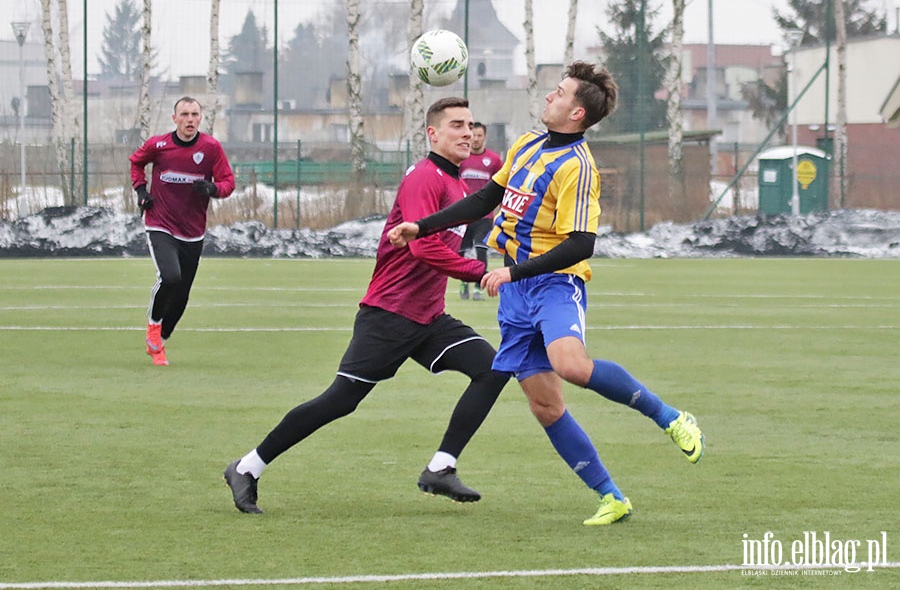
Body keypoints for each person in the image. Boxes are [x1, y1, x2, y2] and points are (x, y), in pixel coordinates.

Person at [388, 62, 705, 526]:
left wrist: (514, 274)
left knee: (571, 366)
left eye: (557, 93)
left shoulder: (577, 167)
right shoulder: (527, 144)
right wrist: (423, 224)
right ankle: (611, 497)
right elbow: (483, 201)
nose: (547, 98)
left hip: (555, 283)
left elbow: (581, 243)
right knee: (545, 404)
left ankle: (672, 417)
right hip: (517, 293)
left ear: (576, 113)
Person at [223, 97, 509, 514]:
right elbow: (422, 248)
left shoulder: (458, 185)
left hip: (428, 318)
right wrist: (477, 272)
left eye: (469, 125)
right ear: (432, 133)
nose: (467, 132)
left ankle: (441, 467)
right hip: (389, 315)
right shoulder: (423, 178)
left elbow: (461, 234)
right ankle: (247, 467)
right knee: (339, 401)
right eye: (456, 125)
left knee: (492, 369)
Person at [130, 96, 235, 367]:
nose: (190, 119)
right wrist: (142, 191)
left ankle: (160, 342)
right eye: (185, 114)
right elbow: (136, 163)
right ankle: (153, 325)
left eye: (195, 114)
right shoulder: (159, 145)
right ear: (174, 118)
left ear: (201, 118)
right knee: (170, 276)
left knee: (183, 294)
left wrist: (213, 189)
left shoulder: (211, 148)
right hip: (160, 222)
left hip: (193, 230)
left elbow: (228, 182)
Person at [457, 122, 503, 301]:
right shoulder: (462, 158)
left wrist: (500, 210)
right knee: (462, 252)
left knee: (481, 249)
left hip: (484, 216)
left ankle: (478, 287)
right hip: (463, 215)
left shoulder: (494, 160)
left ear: (484, 137)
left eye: (479, 136)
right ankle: (463, 283)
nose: (475, 139)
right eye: (473, 135)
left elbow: (501, 185)